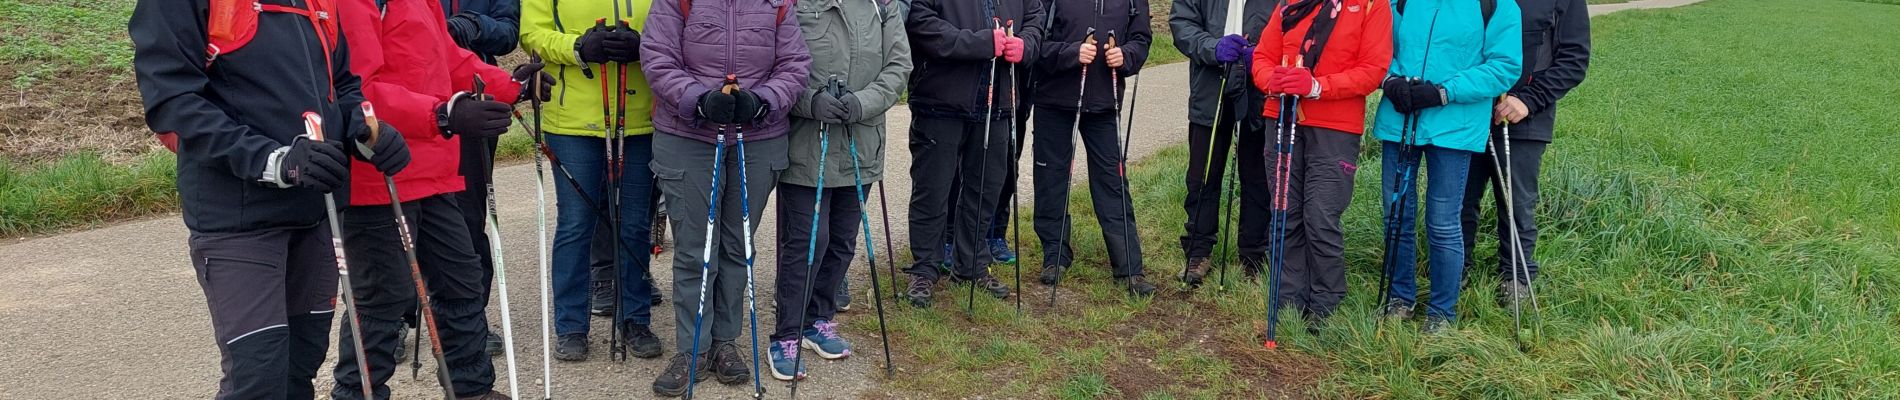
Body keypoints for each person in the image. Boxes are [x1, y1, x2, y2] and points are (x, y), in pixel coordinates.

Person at [130, 0, 405, 396]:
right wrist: (272, 160)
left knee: (300, 366)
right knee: (258, 377)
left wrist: (365, 133)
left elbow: (341, 84)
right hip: (238, 216)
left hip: (316, 208)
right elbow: (172, 99)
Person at [327, 0, 538, 397]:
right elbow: (357, 90)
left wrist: (514, 87)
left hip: (435, 173)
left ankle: (472, 389)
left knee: (462, 283)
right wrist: (442, 114)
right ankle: (356, 393)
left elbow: (451, 60)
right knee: (381, 302)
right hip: (379, 175)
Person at [642, 0, 812, 395]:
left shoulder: (778, 3)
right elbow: (657, 56)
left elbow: (794, 63)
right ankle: (692, 348)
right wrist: (698, 98)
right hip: (688, 135)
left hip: (757, 138)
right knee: (695, 249)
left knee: (738, 246)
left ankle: (726, 343)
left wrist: (763, 100)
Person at [768, 0, 911, 381]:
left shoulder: (883, 6)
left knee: (843, 240)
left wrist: (861, 102)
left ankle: (819, 319)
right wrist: (810, 100)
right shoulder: (793, 4)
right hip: (806, 146)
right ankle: (787, 333)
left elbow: (899, 67)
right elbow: (773, 66)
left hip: (859, 142)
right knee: (804, 244)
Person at [520, 0, 664, 362]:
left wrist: (644, 45)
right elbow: (532, 33)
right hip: (572, 121)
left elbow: (678, 29)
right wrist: (578, 48)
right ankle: (571, 326)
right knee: (575, 224)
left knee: (633, 223)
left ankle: (635, 319)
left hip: (639, 118)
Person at [1373, 0, 1521, 334]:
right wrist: (1391, 80)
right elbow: (1376, 46)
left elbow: (1504, 66)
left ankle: (1442, 312)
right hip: (1401, 116)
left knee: (1442, 221)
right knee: (1395, 214)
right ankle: (1400, 298)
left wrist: (1444, 92)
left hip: (1455, 125)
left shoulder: (1495, 5)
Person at [1249, 0, 1393, 331]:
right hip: (1283, 115)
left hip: (1335, 126)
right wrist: (1274, 80)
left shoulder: (1372, 6)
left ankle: (1325, 302)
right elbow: (1262, 57)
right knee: (1285, 211)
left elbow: (1373, 69)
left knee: (1321, 216)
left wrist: (1317, 86)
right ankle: (1287, 300)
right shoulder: (1290, 3)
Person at [901, 0, 1044, 308]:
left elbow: (1035, 20)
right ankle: (925, 269)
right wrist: (979, 43)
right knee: (933, 188)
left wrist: (1025, 45)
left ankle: (972, 266)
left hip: (999, 101)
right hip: (940, 99)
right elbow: (922, 24)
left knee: (986, 188)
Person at [1462, 0, 1590, 309]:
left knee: (1515, 203)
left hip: (1524, 116)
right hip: (1467, 111)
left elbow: (1574, 58)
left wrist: (1529, 100)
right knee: (1459, 199)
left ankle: (1515, 277)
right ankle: (1455, 271)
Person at [1029, 0, 1155, 296]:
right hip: (1054, 99)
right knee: (1051, 180)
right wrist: (1071, 53)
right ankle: (1055, 256)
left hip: (1104, 101)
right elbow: (1034, 41)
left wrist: (1126, 56)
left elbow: (1141, 38)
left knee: (1113, 182)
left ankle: (1129, 268)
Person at [436, 0, 520, 358]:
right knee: (403, 217)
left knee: (468, 217)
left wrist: (475, 25)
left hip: (477, 98)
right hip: (414, 97)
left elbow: (509, 32)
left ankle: (469, 319)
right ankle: (397, 316)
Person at [1170, 0, 1276, 286]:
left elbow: (1289, 27)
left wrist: (1265, 55)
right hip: (1210, 85)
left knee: (1257, 175)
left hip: (1258, 90)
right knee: (1203, 174)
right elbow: (1181, 24)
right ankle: (1198, 250)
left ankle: (1254, 255)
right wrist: (1213, 47)